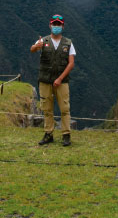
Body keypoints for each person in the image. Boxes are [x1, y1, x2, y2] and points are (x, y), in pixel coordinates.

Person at [30, 14, 75, 147]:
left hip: (62, 81)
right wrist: (37, 46)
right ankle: (48, 133)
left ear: (63, 26)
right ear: (50, 25)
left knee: (64, 109)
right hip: (45, 80)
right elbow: (32, 49)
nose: (56, 26)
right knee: (47, 109)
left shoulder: (68, 43)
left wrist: (60, 79)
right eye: (54, 24)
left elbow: (71, 63)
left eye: (58, 24)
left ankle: (66, 135)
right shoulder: (43, 41)